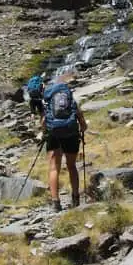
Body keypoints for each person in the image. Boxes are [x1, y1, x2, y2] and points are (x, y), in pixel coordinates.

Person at [40, 81, 87, 212]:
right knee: (72, 166)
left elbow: (43, 121)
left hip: (53, 134)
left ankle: (56, 203)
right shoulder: (71, 101)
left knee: (54, 168)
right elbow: (82, 121)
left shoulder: (48, 103)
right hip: (71, 133)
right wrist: (82, 129)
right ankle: (76, 198)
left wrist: (45, 132)